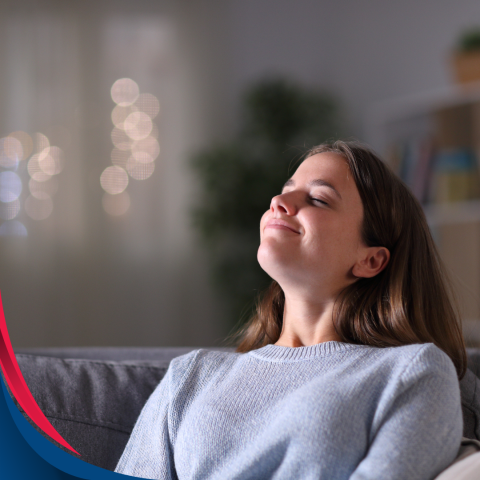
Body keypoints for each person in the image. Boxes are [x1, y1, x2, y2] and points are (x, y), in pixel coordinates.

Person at [115, 140, 466, 480]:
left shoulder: (414, 373)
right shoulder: (190, 376)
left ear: (371, 259)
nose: (278, 201)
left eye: (318, 199)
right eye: (285, 189)